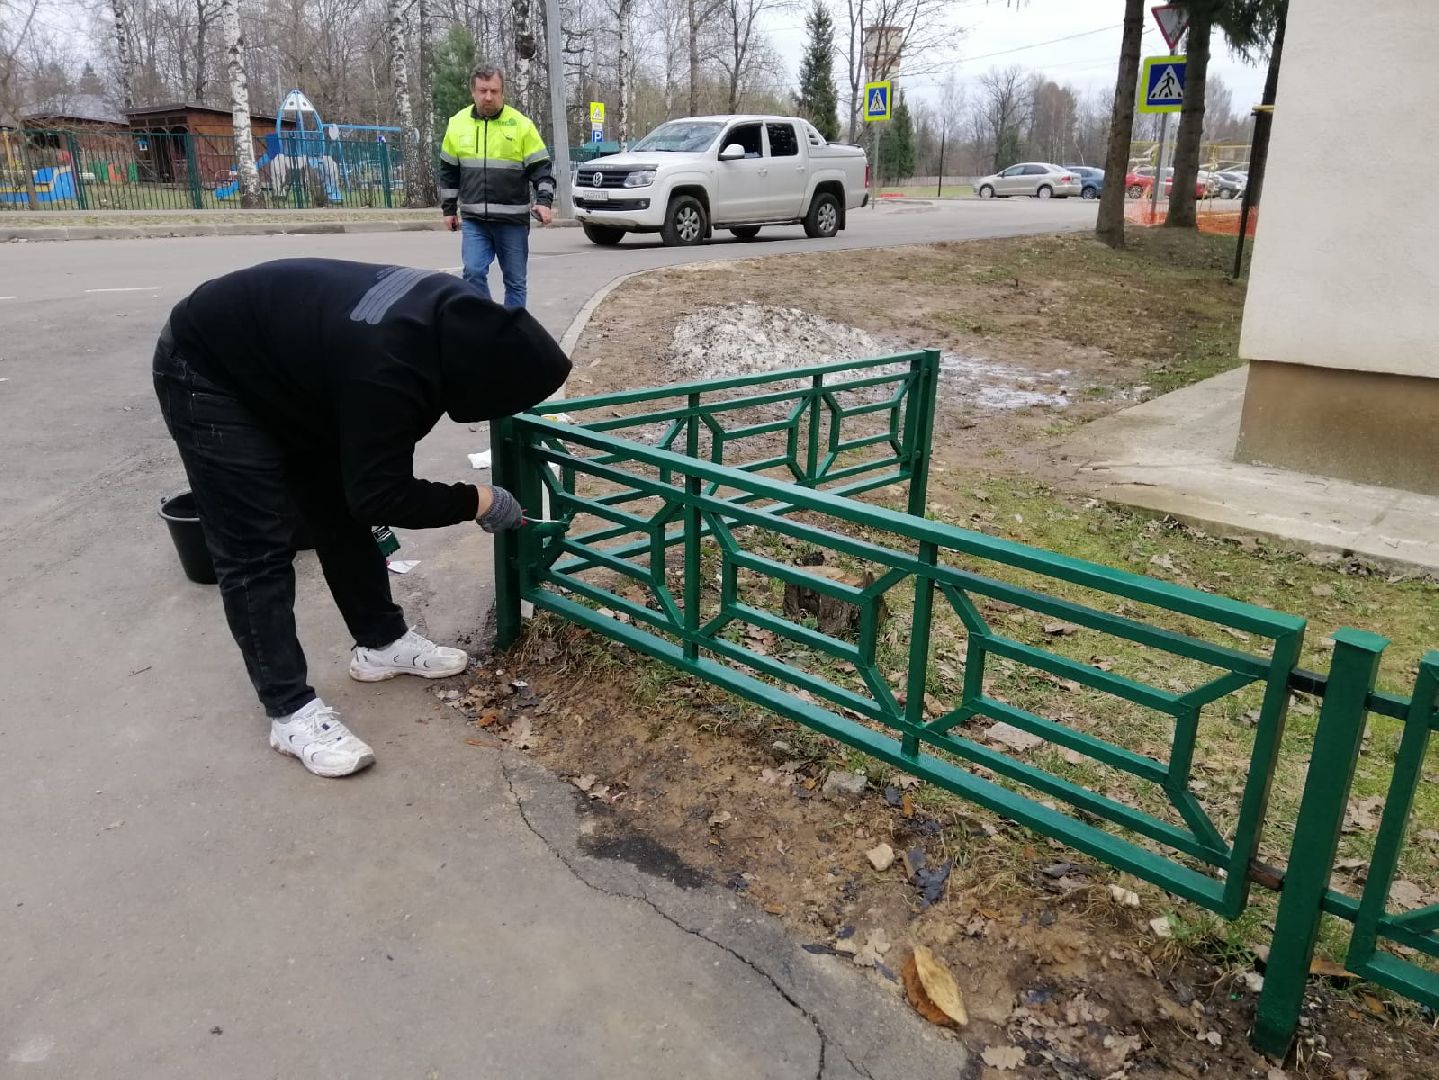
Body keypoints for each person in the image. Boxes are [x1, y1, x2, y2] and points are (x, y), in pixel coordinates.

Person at [153, 258, 571, 778]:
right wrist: (479, 502)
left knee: (337, 508)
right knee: (255, 546)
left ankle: (380, 643)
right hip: (209, 370)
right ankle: (289, 711)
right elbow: (383, 496)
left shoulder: (456, 317)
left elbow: (362, 493)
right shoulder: (389, 370)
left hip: (298, 368)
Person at [439, 65, 555, 309]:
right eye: (483, 91)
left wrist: (544, 202)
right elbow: (449, 170)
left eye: (494, 91)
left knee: (514, 281)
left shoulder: (521, 125)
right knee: (472, 272)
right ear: (473, 92)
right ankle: (489, 324)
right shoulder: (457, 124)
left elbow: (541, 168)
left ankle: (511, 335)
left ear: (503, 92)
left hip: (512, 221)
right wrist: (448, 210)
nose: (488, 97)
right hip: (474, 219)